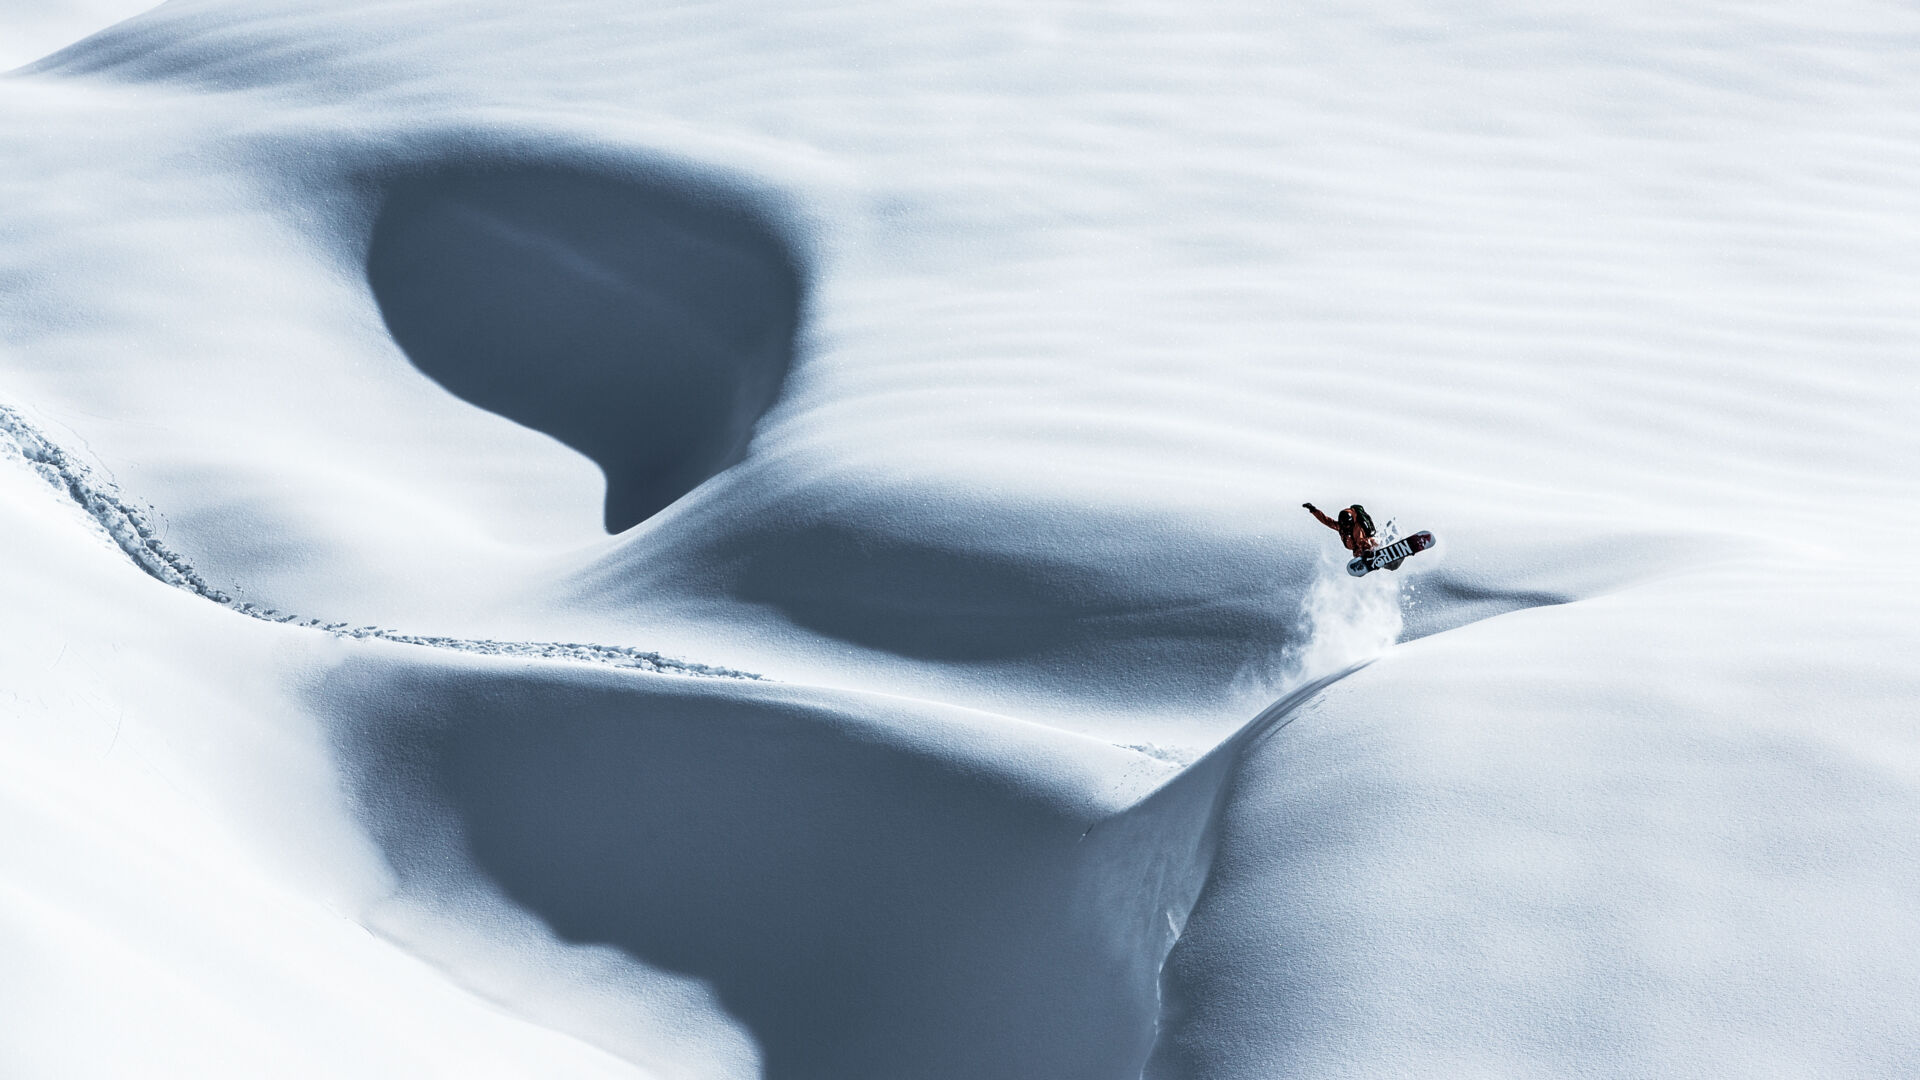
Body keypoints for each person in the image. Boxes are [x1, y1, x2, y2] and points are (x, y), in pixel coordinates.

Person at [1303, 502, 1377, 559]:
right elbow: (1326, 520)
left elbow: (1361, 539)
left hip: (1366, 546)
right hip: (1357, 549)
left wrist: (1366, 550)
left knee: (1362, 539)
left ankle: (1373, 549)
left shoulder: (1357, 526)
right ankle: (1365, 554)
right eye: (1344, 525)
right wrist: (1313, 510)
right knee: (1358, 548)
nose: (1346, 526)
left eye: (1347, 524)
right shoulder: (1340, 527)